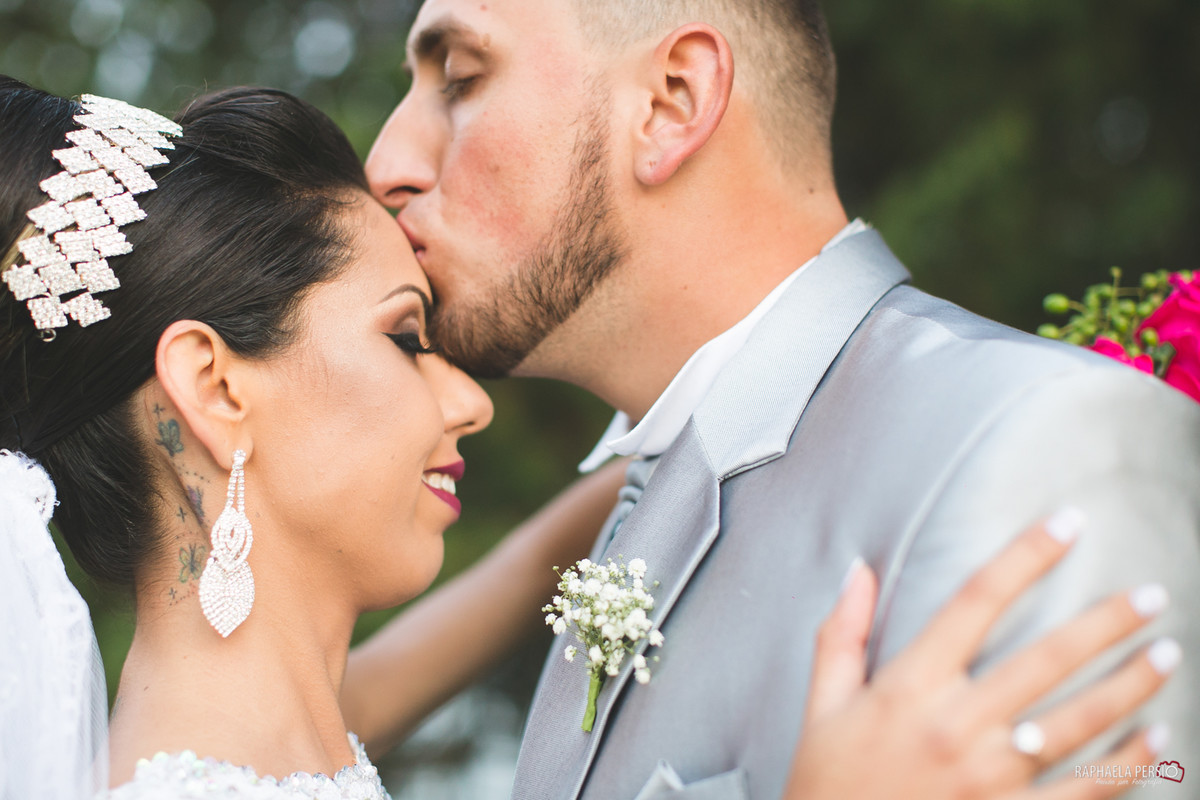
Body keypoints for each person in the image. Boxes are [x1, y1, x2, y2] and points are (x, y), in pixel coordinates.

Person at [0, 79, 1174, 800]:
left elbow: (505, 586)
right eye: (407, 338)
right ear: (212, 384)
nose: (469, 400)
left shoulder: (268, 733)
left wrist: (696, 423)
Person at [363, 1, 1200, 797]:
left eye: (461, 78)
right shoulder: (642, 498)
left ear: (671, 104)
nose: (385, 164)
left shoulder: (1045, 440)